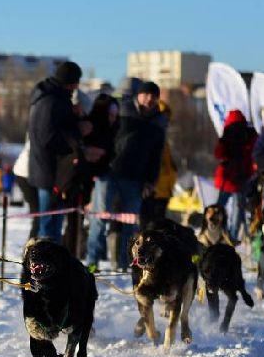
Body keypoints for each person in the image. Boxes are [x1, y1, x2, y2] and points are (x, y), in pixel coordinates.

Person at [26, 61, 102, 243]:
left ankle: (52, 265)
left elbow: (57, 129)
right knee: (49, 227)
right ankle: (45, 266)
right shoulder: (51, 101)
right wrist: (77, 133)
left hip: (55, 172)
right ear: (70, 82)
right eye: (76, 82)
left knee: (53, 226)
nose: (77, 87)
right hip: (50, 172)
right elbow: (48, 137)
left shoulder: (53, 97)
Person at [105, 80, 166, 269]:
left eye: (154, 97)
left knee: (130, 222)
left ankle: (124, 263)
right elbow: (106, 136)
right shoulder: (122, 110)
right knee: (100, 218)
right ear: (138, 95)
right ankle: (93, 261)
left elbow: (157, 155)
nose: (150, 99)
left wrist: (151, 181)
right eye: (146, 94)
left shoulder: (159, 121)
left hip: (136, 178)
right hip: (110, 171)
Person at [84, 93, 119, 270]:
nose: (113, 118)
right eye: (110, 115)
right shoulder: (95, 128)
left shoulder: (115, 129)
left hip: (111, 175)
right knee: (99, 218)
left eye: (115, 115)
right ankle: (92, 260)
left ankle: (99, 256)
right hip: (99, 177)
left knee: (103, 219)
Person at [214, 109, 257, 241]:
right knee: (235, 208)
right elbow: (219, 154)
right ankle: (228, 233)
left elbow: (218, 154)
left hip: (235, 179)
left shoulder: (232, 138)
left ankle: (223, 232)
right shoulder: (247, 138)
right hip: (232, 179)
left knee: (223, 207)